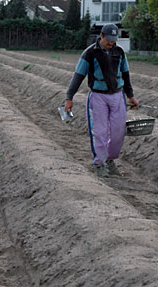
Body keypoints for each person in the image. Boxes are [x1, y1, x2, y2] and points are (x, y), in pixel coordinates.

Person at [65, 23, 139, 178]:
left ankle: (110, 160)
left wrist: (130, 95)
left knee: (118, 133)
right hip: (98, 97)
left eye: (114, 40)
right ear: (101, 36)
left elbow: (125, 74)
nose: (111, 43)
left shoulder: (119, 52)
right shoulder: (90, 53)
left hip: (117, 96)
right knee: (100, 133)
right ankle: (100, 163)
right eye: (108, 40)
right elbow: (78, 76)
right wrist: (69, 97)